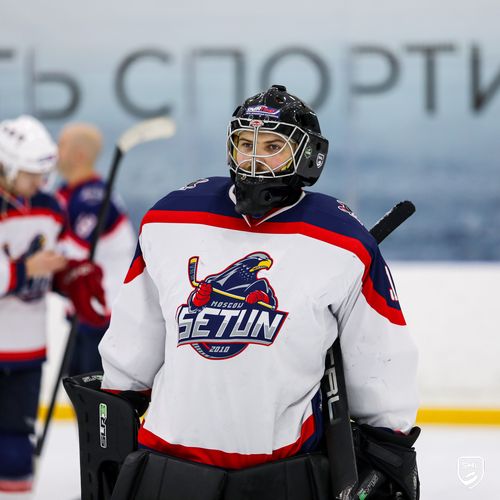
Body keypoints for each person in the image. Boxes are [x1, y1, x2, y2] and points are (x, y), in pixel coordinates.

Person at [93, 85, 420, 499]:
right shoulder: (170, 219)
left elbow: (379, 353)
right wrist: (113, 414)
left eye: (272, 146)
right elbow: (133, 341)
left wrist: (387, 444)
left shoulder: (343, 241)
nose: (253, 158)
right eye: (245, 143)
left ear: (307, 156)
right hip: (168, 467)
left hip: (282, 474)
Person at [0, 116, 109, 496]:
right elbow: (28, 268)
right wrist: (25, 270)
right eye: (32, 174)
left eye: (44, 173)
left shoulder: (49, 206)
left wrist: (74, 279)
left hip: (29, 350)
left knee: (17, 447)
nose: (41, 182)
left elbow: (61, 255)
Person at [56, 123, 136, 376]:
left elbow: (72, 255)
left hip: (102, 315)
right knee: (77, 386)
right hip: (83, 312)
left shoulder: (92, 198)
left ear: (79, 154)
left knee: (94, 392)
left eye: (61, 145)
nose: (55, 151)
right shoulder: (68, 193)